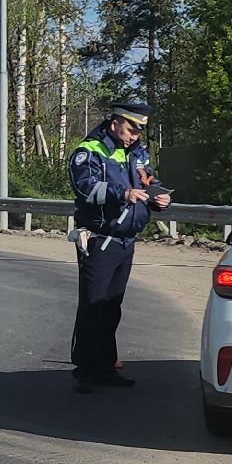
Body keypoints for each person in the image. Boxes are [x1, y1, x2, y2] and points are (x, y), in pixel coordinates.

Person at [67, 100, 169, 391]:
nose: (135, 135)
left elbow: (148, 181)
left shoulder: (137, 153)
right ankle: (85, 370)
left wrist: (159, 198)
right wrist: (122, 193)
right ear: (115, 123)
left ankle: (105, 366)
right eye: (131, 129)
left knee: (112, 306)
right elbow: (85, 188)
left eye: (139, 131)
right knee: (92, 306)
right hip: (100, 239)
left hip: (126, 239)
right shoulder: (89, 151)